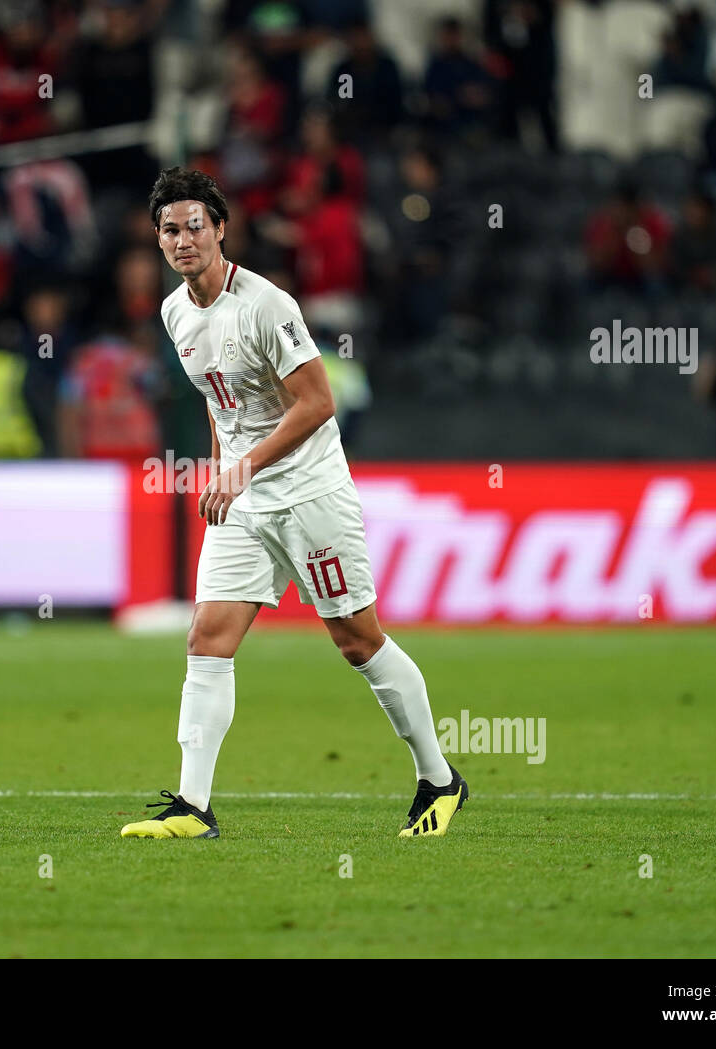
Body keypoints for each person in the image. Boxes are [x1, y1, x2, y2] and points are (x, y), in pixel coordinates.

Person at [121, 168, 466, 841]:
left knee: (357, 640)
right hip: (245, 500)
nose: (184, 238)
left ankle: (439, 777)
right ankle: (194, 807)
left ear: (221, 229)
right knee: (207, 637)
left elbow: (317, 401)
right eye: (170, 229)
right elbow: (221, 401)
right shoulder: (173, 312)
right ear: (158, 241)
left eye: (196, 225)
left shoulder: (267, 304)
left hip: (310, 493)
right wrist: (228, 469)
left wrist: (242, 465)